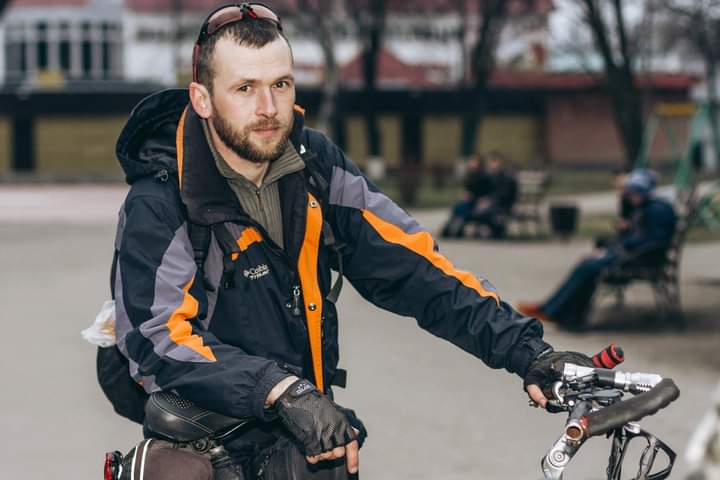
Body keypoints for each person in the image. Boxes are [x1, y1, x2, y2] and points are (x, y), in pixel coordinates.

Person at [109, 3, 593, 479]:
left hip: (301, 434)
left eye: (281, 84)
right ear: (202, 99)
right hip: (207, 434)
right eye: (245, 88)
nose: (268, 108)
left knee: (332, 462)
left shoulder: (315, 166)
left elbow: (416, 268)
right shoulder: (160, 199)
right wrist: (280, 390)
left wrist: (527, 352)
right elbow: (157, 335)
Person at [518, 169, 677, 329]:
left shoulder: (658, 210)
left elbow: (652, 242)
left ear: (644, 191)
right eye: (630, 192)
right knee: (587, 264)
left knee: (588, 267)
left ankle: (555, 312)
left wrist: (614, 250)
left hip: (638, 260)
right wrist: (615, 244)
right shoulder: (647, 207)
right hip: (631, 256)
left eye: (633, 192)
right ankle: (559, 313)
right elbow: (639, 236)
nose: (630, 196)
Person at [441, 152, 518, 239]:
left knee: (480, 211)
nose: (492, 165)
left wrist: (487, 199)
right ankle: (451, 229)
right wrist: (470, 195)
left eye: (494, 162)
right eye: (490, 162)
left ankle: (494, 230)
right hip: (483, 203)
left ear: (500, 163)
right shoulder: (487, 175)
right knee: (460, 207)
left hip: (499, 205)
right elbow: (481, 191)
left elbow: (503, 194)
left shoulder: (505, 177)